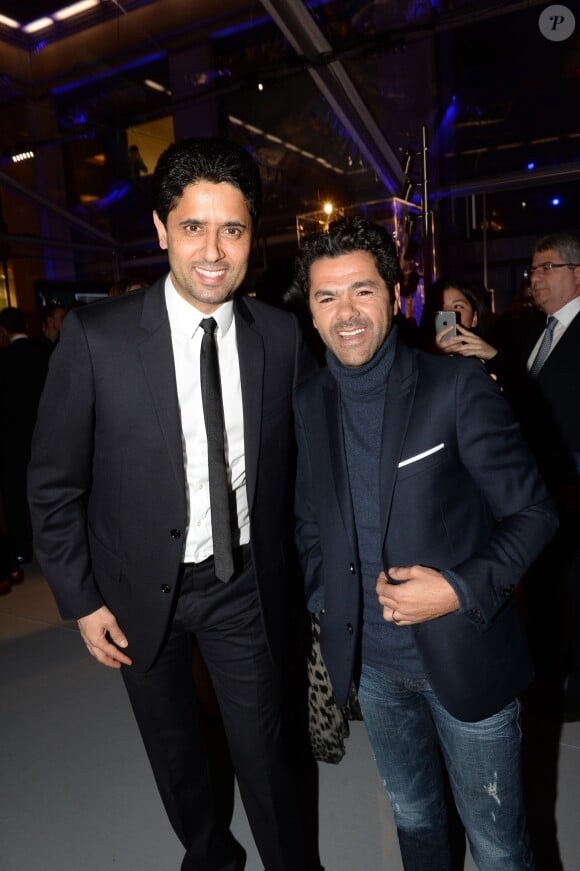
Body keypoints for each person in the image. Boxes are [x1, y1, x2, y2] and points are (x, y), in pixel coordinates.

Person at [28, 137, 321, 871]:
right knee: (177, 752)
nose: (214, 251)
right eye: (193, 227)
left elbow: (306, 468)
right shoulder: (96, 340)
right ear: (161, 230)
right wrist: (81, 599)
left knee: (269, 754)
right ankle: (210, 855)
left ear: (256, 233)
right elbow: (53, 481)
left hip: (243, 585)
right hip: (133, 594)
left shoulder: (281, 338)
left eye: (233, 228)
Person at [292, 216, 559, 870]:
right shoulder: (308, 401)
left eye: (362, 290)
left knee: (499, 845)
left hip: (466, 656)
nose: (345, 312)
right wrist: (327, 593)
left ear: (394, 292)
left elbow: (535, 511)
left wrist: (457, 587)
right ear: (311, 309)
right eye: (327, 296)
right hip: (375, 669)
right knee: (414, 820)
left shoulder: (455, 386)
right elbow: (308, 519)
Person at [492, 232, 580, 722]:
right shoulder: (533, 332)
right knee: (548, 586)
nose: (535, 278)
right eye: (533, 269)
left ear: (577, 274)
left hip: (571, 482)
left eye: (547, 267)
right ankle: (552, 673)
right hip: (540, 487)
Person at [0, 307, 48, 565]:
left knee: (15, 497)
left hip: (12, 441)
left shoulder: (3, 359)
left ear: (3, 331)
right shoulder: (43, 354)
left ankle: (22, 549)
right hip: (44, 438)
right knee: (46, 495)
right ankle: (50, 549)